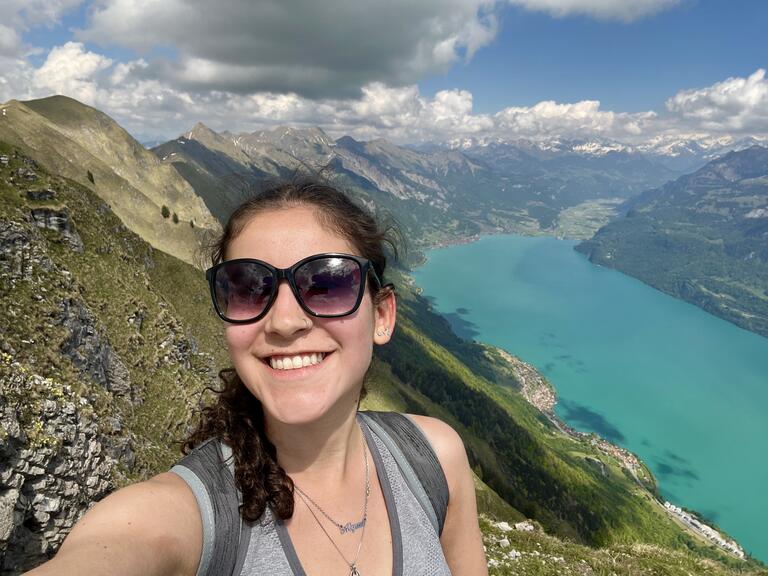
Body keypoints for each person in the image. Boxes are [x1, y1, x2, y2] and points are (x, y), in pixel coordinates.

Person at [27, 181, 488, 576]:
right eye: (248, 288)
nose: (284, 322)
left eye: (326, 283)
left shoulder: (434, 458)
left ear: (382, 315)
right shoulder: (190, 512)